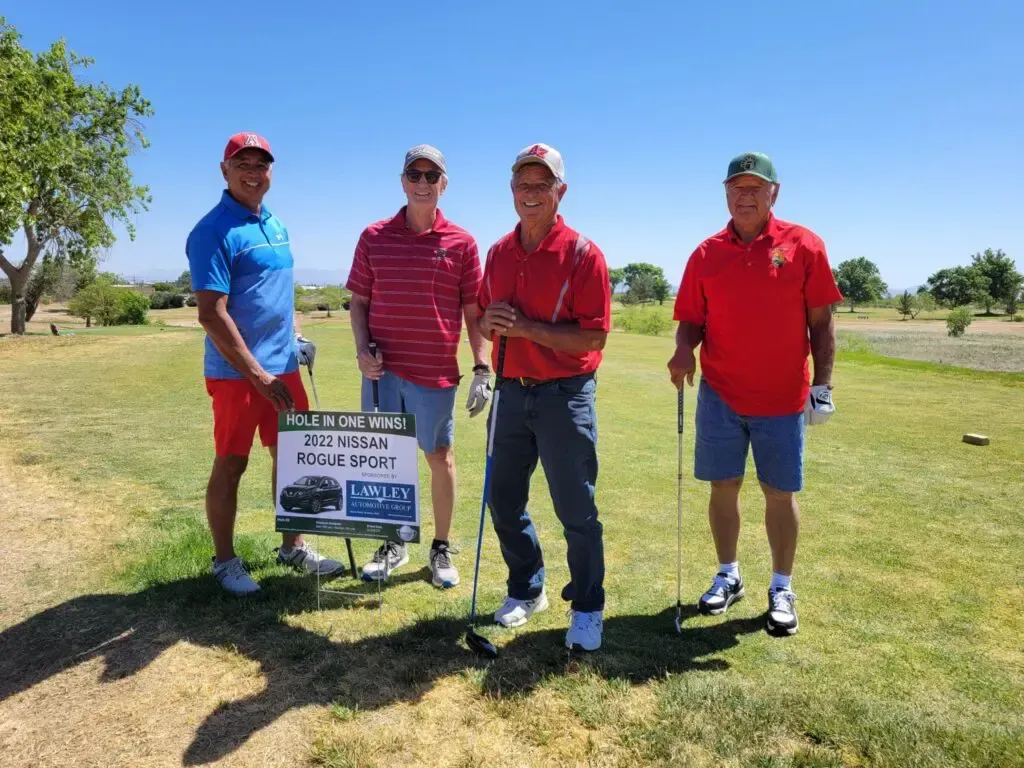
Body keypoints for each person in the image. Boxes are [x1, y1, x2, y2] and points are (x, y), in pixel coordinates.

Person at [667, 151, 842, 635]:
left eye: (755, 187)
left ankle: (782, 586)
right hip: (721, 394)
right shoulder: (706, 253)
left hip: (783, 398)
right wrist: (684, 351)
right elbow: (690, 322)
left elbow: (822, 324)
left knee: (779, 494)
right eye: (736, 187)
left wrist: (823, 387)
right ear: (726, 193)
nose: (745, 195)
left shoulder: (803, 245)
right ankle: (728, 574)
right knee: (723, 487)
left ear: (774, 193)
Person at [186, 131, 343, 596]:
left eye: (261, 165)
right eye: (243, 164)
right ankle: (225, 560)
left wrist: (294, 335)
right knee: (232, 463)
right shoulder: (212, 230)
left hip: (285, 368)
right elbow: (210, 313)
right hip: (239, 375)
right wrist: (258, 374)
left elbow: (275, 294)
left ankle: (293, 545)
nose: (253, 173)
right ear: (225, 170)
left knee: (293, 459)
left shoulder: (275, 224)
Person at [477, 143, 611, 652]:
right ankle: (527, 588)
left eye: (541, 185)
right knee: (503, 500)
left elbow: (594, 338)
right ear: (512, 191)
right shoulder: (498, 253)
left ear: (561, 191)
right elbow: (489, 320)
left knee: (576, 507)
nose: (530, 194)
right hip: (510, 393)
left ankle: (588, 607)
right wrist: (488, 327)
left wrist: (529, 329)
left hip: (565, 396)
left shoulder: (583, 254)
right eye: (522, 185)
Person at [345, 144, 489, 589]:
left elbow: (473, 311)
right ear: (403, 180)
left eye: (432, 176)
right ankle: (393, 542)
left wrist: (482, 366)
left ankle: (440, 548)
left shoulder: (462, 242)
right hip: (382, 372)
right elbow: (360, 303)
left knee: (438, 456)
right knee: (385, 461)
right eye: (415, 174)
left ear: (444, 184)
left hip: (435, 373)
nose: (423, 183)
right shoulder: (373, 236)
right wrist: (361, 350)